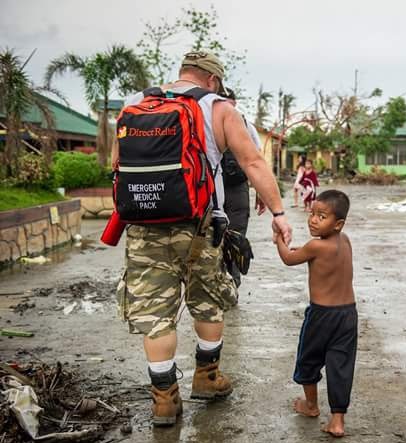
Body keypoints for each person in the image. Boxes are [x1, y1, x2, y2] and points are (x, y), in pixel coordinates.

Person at [112, 51, 292, 427]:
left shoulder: (136, 105)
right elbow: (253, 163)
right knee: (208, 301)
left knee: (155, 313)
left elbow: (116, 164)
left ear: (182, 74)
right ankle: (207, 379)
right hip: (199, 225)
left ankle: (164, 401)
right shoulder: (219, 108)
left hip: (143, 226)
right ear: (212, 79)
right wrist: (278, 213)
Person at [274, 190, 357, 438]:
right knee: (341, 365)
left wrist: (279, 238)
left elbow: (289, 258)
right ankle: (338, 420)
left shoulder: (315, 246)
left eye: (321, 216)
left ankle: (310, 406)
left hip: (322, 316)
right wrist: (307, 248)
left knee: (308, 359)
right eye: (312, 214)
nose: (313, 220)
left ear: (338, 223)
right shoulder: (345, 241)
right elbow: (320, 257)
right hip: (348, 315)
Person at [219, 87, 265, 288]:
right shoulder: (206, 123)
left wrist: (260, 191)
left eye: (229, 101)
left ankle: (232, 284)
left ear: (235, 103)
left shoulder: (247, 126)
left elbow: (255, 159)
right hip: (213, 188)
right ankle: (216, 283)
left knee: (237, 236)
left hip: (238, 188)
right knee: (212, 236)